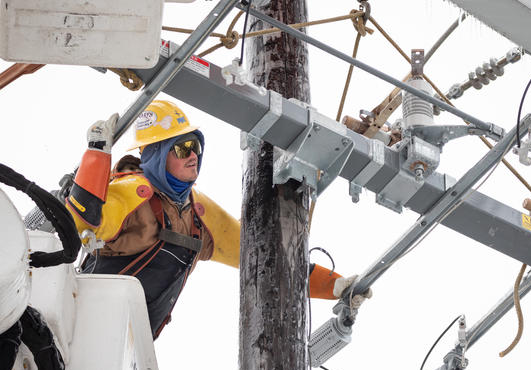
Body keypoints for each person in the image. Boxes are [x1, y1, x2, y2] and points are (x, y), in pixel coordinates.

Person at [66, 100, 370, 339]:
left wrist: (336, 286)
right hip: (83, 323)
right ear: (157, 154)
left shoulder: (198, 211)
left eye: (196, 147)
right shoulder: (131, 192)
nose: (193, 155)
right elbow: (83, 224)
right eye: (182, 148)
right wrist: (96, 157)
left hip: (131, 339)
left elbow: (262, 256)